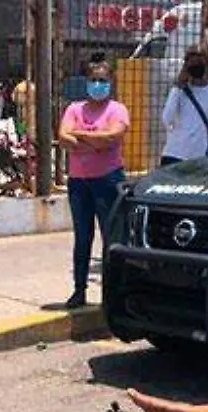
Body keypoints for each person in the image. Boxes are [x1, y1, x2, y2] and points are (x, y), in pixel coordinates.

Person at [57, 58, 129, 309]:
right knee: (82, 236)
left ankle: (113, 293)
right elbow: (63, 137)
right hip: (79, 182)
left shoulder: (117, 110)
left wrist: (80, 136)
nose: (98, 85)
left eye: (102, 80)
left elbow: (112, 137)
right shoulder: (74, 109)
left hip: (108, 180)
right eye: (93, 80)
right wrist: (95, 141)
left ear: (111, 82)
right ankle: (79, 289)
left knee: (111, 237)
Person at [160, 50, 208, 166]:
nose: (196, 68)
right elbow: (166, 119)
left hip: (198, 157)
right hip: (174, 154)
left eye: (200, 64)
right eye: (192, 65)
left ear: (207, 67)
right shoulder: (179, 91)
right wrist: (177, 87)